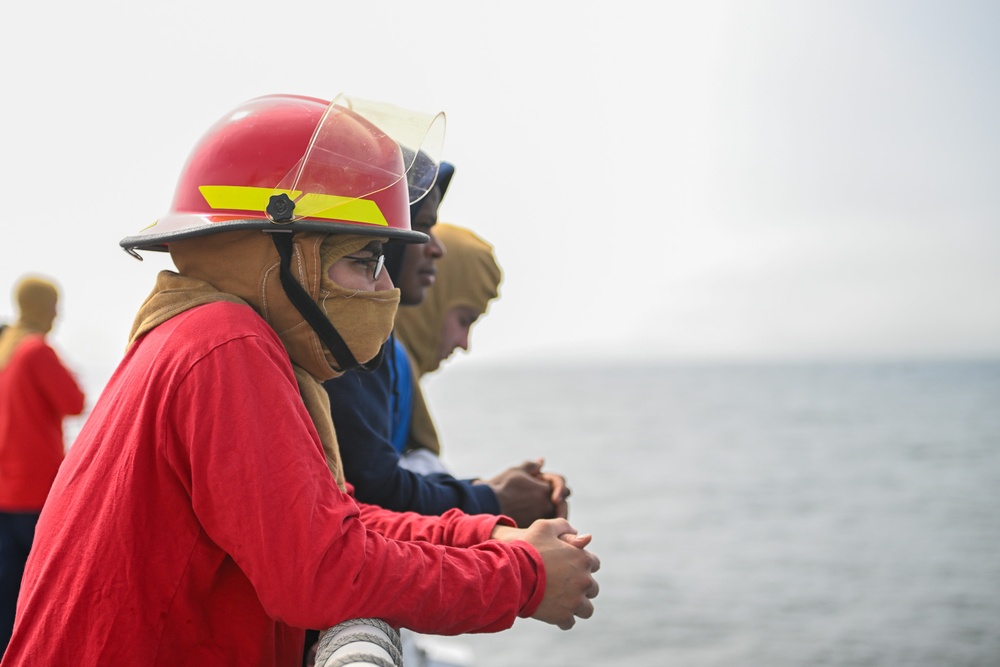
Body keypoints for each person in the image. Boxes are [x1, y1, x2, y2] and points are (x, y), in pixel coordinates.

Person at [0, 94, 598, 666]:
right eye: (363, 261)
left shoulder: (200, 332)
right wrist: (521, 579)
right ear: (276, 252)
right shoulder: (226, 346)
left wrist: (485, 535)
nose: (384, 290)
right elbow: (318, 571)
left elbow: (334, 519)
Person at [325, 167, 569, 528]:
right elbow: (375, 489)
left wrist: (488, 490)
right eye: (465, 319)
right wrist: (492, 499)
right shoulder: (351, 349)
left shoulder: (381, 354)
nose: (433, 248)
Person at [0, 276, 85, 655]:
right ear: (40, 307)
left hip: (6, 490)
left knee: (7, 596)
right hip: (36, 491)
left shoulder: (6, 348)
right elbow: (74, 401)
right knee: (41, 594)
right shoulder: (37, 351)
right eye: (53, 304)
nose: (57, 313)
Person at [393, 222, 504, 474]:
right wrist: (491, 499)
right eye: (464, 320)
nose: (463, 343)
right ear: (431, 300)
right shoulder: (376, 370)